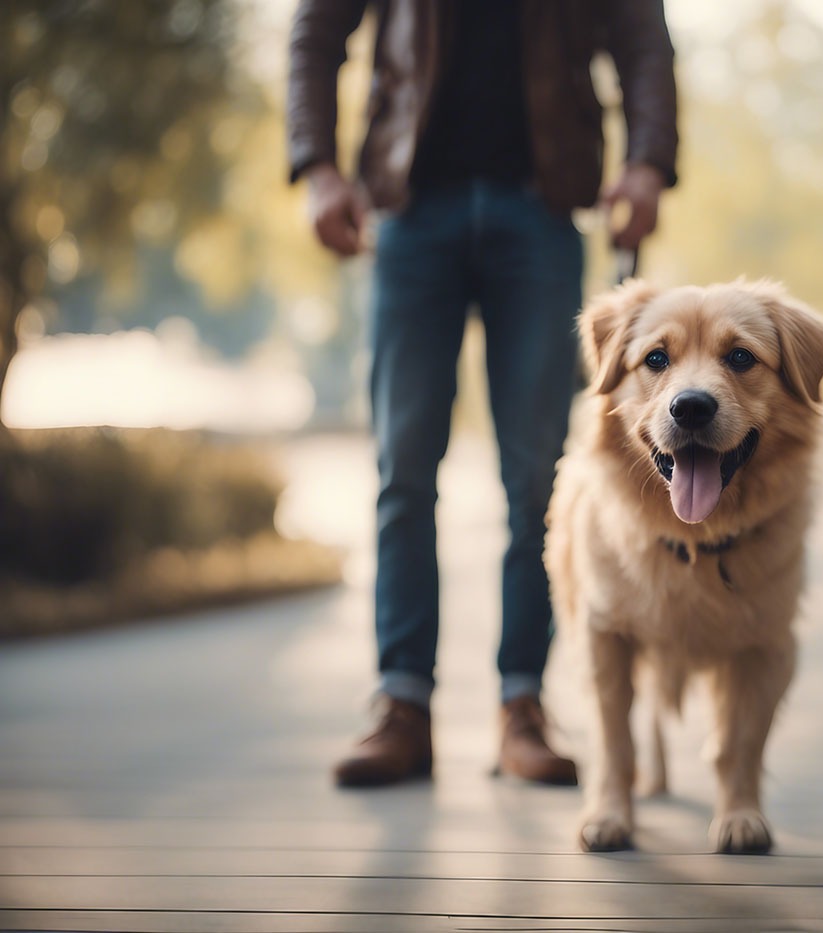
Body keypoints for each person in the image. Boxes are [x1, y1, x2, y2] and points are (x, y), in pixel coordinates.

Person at [286, 0, 678, 787]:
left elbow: (641, 38)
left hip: (540, 208)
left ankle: (522, 706)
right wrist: (316, 164)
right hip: (406, 209)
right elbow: (315, 30)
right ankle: (401, 706)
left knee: (537, 475)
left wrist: (648, 160)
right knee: (402, 469)